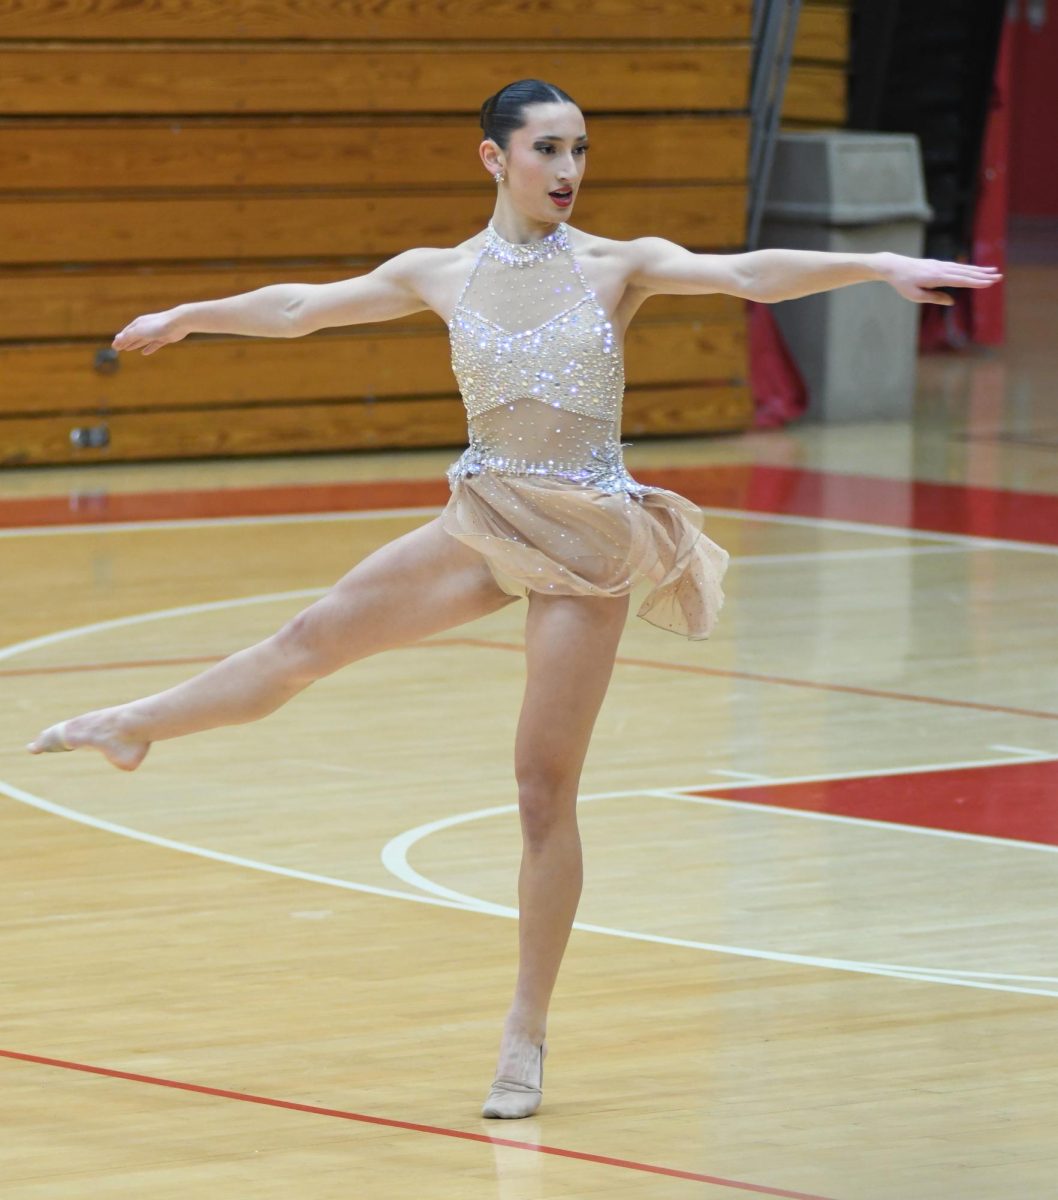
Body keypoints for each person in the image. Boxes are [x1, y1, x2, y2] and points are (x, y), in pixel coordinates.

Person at [27, 79, 1000, 1119]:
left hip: (586, 535)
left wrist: (876, 262)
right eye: (546, 149)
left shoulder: (615, 264)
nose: (568, 170)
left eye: (578, 148)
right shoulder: (440, 273)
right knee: (307, 639)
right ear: (494, 158)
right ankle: (134, 724)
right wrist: (190, 315)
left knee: (541, 789)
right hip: (484, 514)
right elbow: (301, 306)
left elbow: (747, 274)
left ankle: (524, 1031)